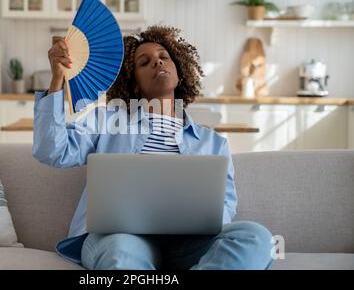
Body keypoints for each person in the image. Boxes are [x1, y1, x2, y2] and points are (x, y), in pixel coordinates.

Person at [32, 25, 273, 270]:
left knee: (255, 237)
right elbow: (52, 151)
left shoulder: (213, 142)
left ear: (179, 73)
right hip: (121, 237)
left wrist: (192, 224)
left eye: (163, 57)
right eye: (144, 62)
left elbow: (225, 205)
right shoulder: (106, 120)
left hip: (189, 244)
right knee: (121, 254)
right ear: (133, 83)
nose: (157, 63)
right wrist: (57, 80)